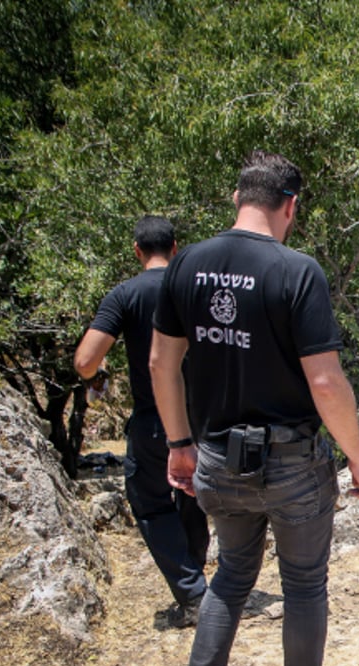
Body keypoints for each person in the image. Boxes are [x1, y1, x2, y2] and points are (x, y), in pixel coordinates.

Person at [150, 150, 359, 666]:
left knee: (228, 579)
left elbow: (160, 363)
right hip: (292, 461)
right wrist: (357, 457)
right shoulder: (297, 271)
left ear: (237, 198)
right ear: (291, 207)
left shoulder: (187, 263)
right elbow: (325, 383)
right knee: (303, 584)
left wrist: (178, 443)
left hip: (217, 457)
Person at [74, 216, 210, 629]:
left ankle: (194, 594)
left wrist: (99, 375)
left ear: (137, 250)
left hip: (154, 422)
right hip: (203, 420)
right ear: (175, 246)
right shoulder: (195, 290)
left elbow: (84, 362)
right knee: (194, 500)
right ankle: (197, 589)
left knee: (150, 505)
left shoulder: (124, 295)